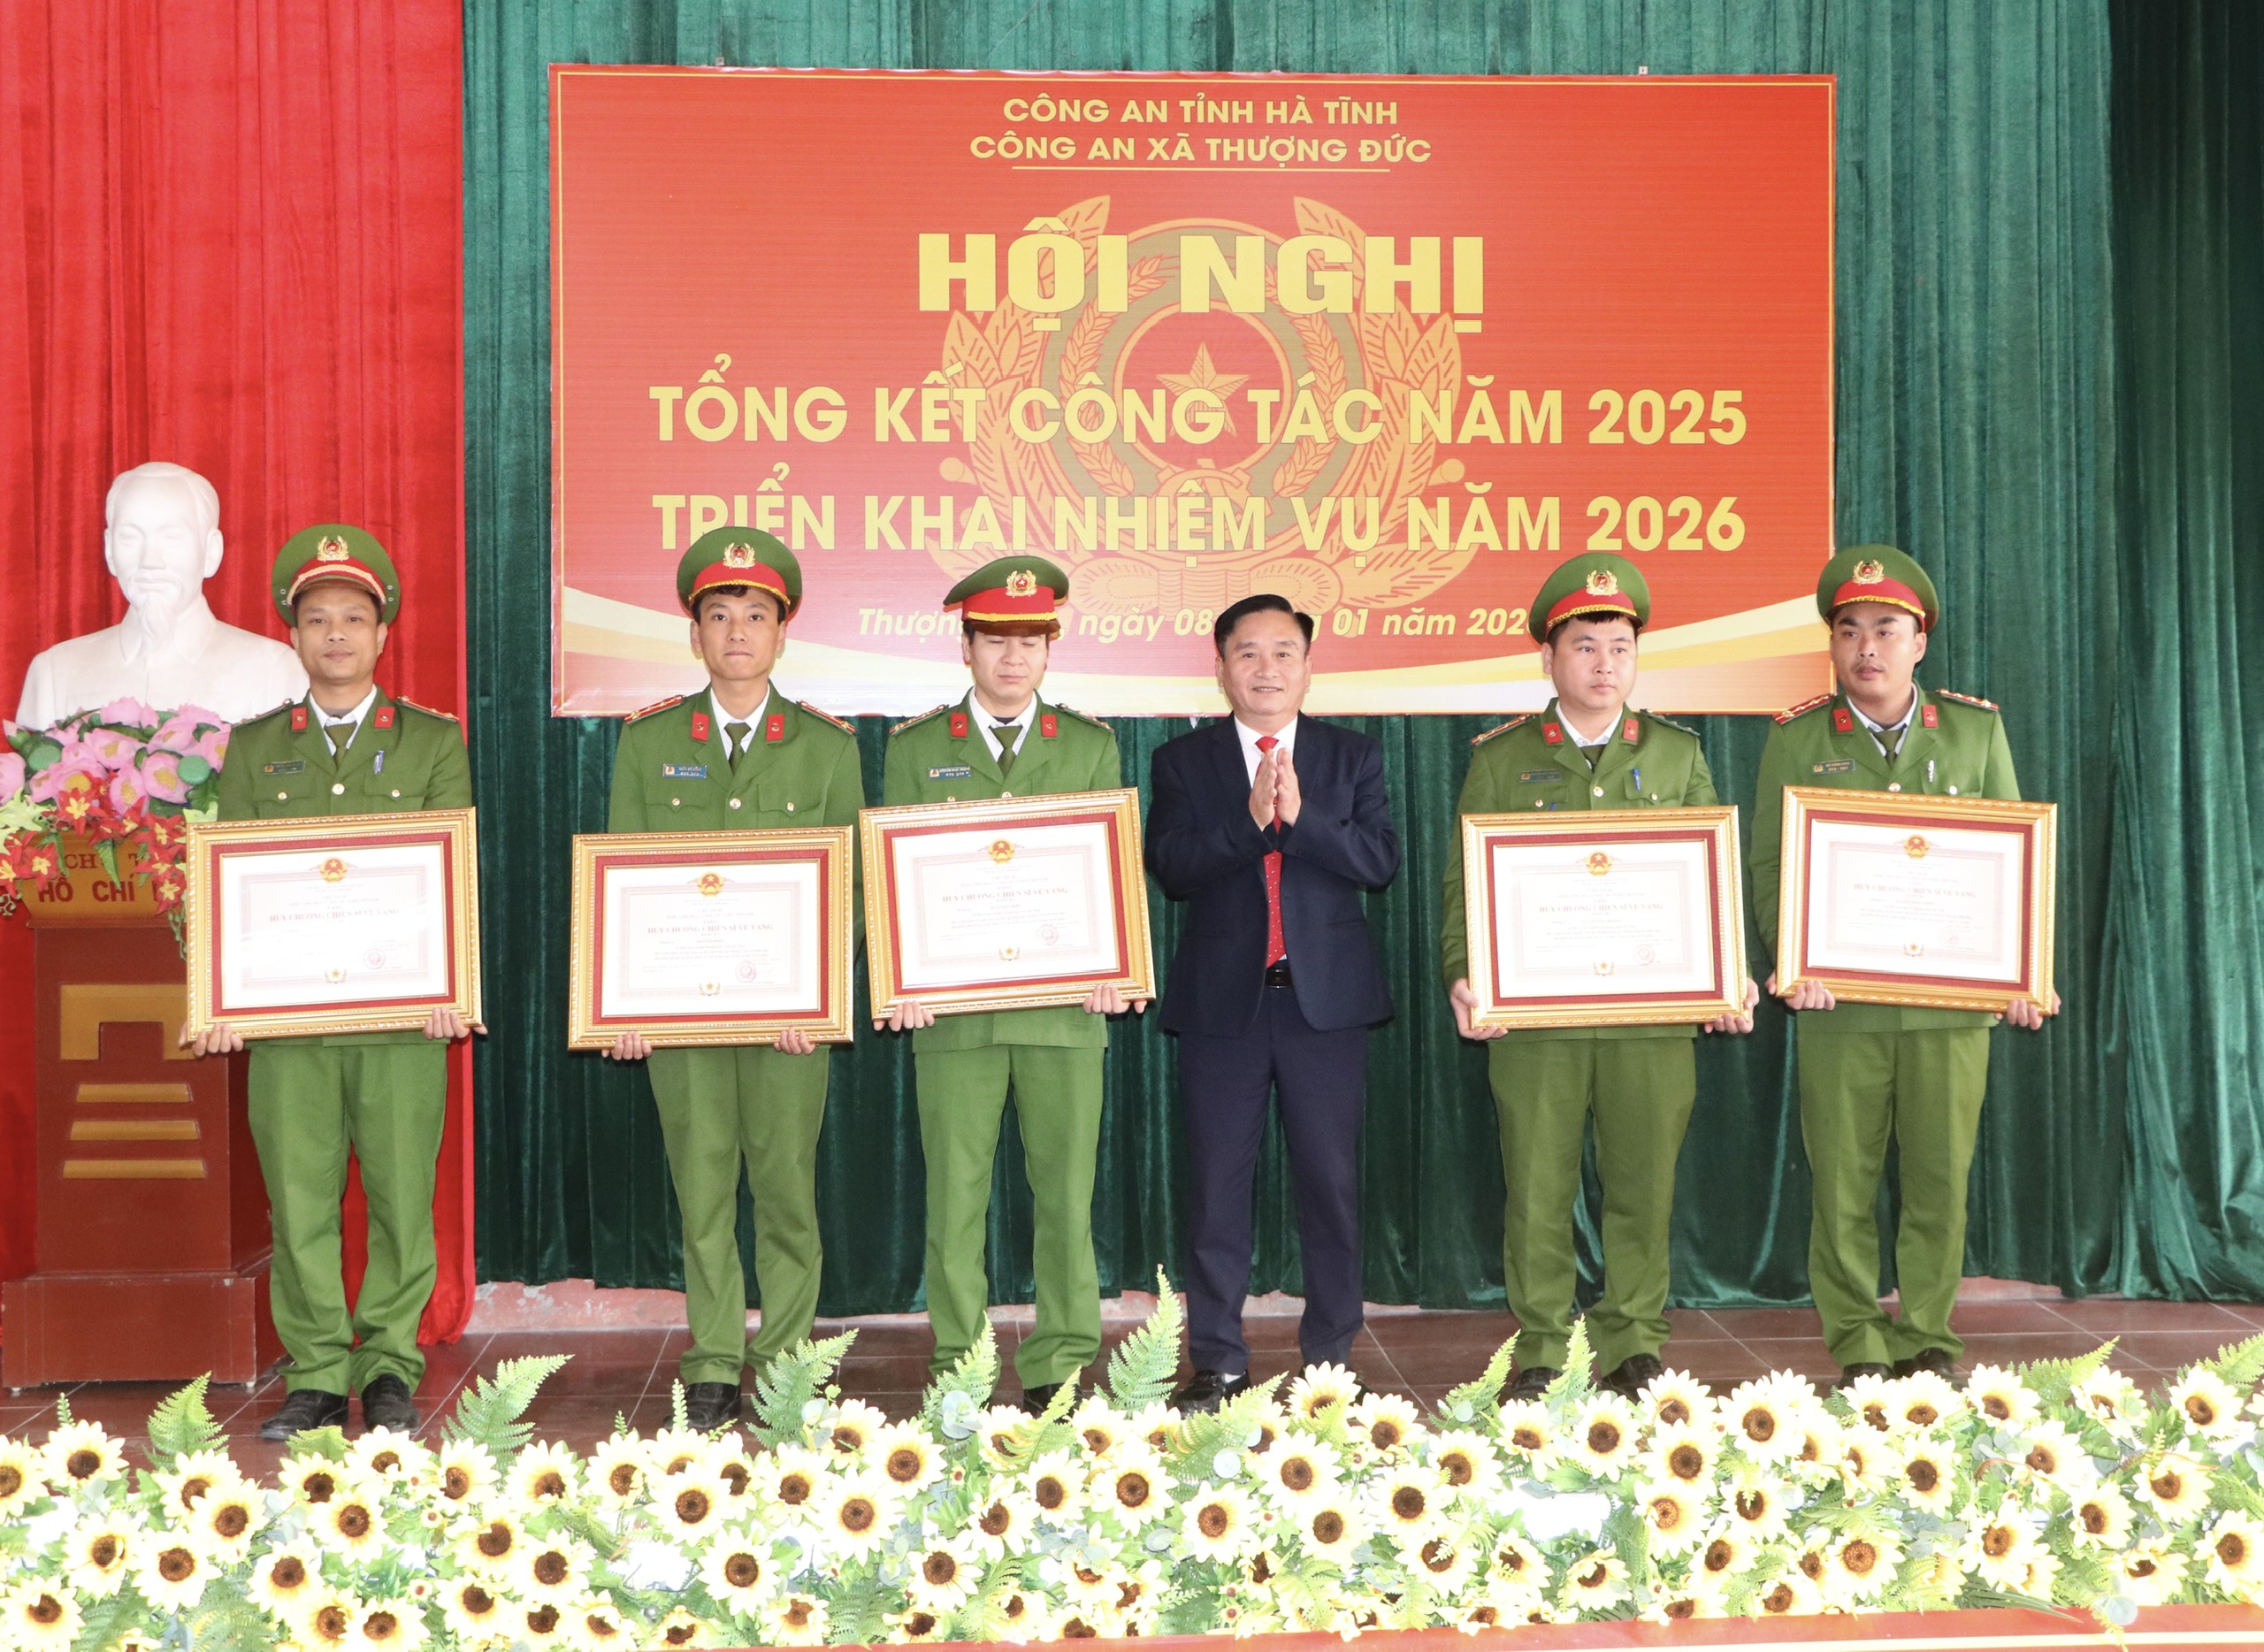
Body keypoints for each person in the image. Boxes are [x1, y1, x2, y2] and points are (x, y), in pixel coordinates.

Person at [1441, 554, 1758, 1402]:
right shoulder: (1503, 758)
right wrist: (1465, 974)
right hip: (1534, 1020)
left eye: (1620, 647)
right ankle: (1543, 1344)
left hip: (1649, 1019)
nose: (1604, 665)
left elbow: (1713, 877)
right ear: (1549, 657)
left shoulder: (1678, 754)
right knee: (1536, 1190)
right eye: (1585, 646)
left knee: (1642, 1190)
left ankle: (1632, 1341)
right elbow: (1463, 883)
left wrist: (1730, 971)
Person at [187, 524, 472, 1440]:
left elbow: (453, 873)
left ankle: (388, 1365)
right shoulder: (255, 746)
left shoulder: (432, 741)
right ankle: (314, 1371)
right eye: (317, 619)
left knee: (400, 1197)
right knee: (299, 1200)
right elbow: (227, 880)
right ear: (294, 634)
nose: (336, 634)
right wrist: (218, 994)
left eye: (353, 617)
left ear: (382, 633)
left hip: (400, 1017)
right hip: (289, 1021)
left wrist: (453, 982)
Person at [1750, 545, 2059, 1387]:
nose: (1866, 648)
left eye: (1886, 629)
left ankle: (1927, 1333)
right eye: (1849, 630)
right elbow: (1771, 865)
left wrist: (2023, 973)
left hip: (1949, 1012)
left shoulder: (1974, 731)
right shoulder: (1797, 737)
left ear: (1919, 642)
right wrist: (1792, 961)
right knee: (1841, 1185)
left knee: (1937, 1182)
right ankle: (1854, 1335)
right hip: (1838, 1007)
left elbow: (2015, 860)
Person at [603, 528, 864, 1433]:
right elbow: (622, 877)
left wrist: (818, 994)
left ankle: (787, 1360)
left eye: (756, 615)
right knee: (703, 1190)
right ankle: (714, 1359)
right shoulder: (648, 741)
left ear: (782, 633)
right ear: (695, 634)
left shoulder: (827, 746)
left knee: (786, 1190)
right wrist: (625, 1001)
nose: (738, 630)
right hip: (682, 1019)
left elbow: (851, 885)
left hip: (789, 1019)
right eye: (720, 615)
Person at [878, 556, 1133, 1411]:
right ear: (966, 647)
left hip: (1065, 1013)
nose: (1013, 656)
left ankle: (1061, 1358)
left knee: (1065, 1197)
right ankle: (959, 1360)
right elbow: (892, 878)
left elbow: (1111, 871)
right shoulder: (916, 749)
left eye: (1030, 639)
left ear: (1050, 650)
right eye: (995, 639)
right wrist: (900, 972)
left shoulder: (1089, 745)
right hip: (954, 1018)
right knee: (955, 1200)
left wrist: (1115, 966)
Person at [1146, 593, 1400, 1411]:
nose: (1266, 668)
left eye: (1283, 651)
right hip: (1225, 1009)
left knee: (1331, 1187)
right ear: (1221, 668)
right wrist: (1249, 824)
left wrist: (1301, 818)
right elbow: (1172, 867)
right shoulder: (1182, 762)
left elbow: (1379, 861)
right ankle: (1218, 1362)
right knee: (1217, 1190)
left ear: (1308, 666)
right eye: (1247, 653)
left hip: (1325, 1008)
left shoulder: (1352, 755)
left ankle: (1331, 1361)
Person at [18, 462, 307, 729]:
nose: (150, 561)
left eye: (172, 537)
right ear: (109, 550)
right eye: (130, 537)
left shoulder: (274, 671)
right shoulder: (55, 675)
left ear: (211, 552)